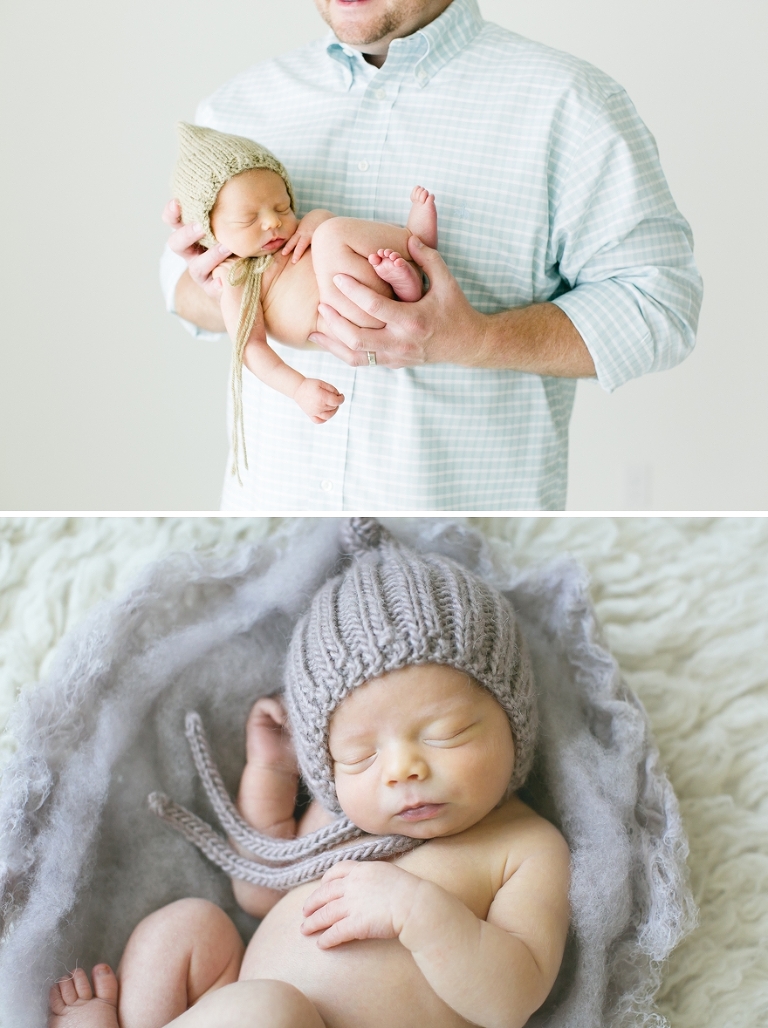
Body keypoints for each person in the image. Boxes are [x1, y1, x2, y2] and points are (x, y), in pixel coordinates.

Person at [161, 0, 703, 511]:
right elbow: (181, 291)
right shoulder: (235, 113)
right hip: (271, 526)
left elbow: (660, 308)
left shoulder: (570, 104)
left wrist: (476, 340)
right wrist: (226, 290)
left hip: (466, 538)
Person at [48, 520, 570, 1028]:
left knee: (273, 1011)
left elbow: (510, 1003)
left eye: (446, 733)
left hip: (271, 1016)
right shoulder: (347, 817)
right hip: (238, 1004)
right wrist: (273, 771)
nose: (402, 770)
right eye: (361, 755)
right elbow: (260, 891)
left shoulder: (525, 847)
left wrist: (418, 912)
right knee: (186, 927)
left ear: (514, 717)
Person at [172, 122, 438, 477]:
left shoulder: (296, 232)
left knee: (330, 230)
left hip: (368, 291)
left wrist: (314, 220)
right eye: (248, 218)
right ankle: (411, 254)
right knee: (332, 234)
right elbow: (250, 348)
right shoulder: (234, 277)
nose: (273, 223)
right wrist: (298, 389)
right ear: (207, 232)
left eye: (282, 207)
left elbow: (321, 225)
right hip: (338, 324)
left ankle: (411, 262)